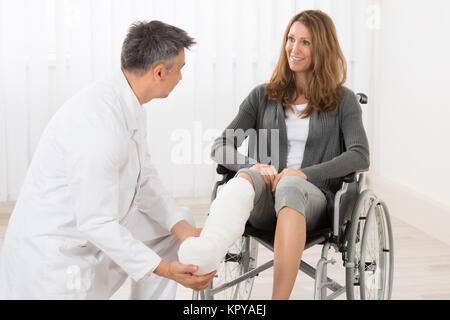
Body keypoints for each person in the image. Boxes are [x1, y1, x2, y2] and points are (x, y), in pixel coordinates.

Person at [0, 20, 215, 299]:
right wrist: (164, 269)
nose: (182, 78)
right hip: (55, 260)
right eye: (181, 69)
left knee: (176, 223)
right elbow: (96, 222)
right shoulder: (98, 126)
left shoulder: (128, 104)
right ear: (159, 72)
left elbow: (145, 178)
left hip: (93, 231)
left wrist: (184, 230)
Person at [207, 10, 370, 299]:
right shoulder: (262, 96)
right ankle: (203, 254)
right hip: (264, 202)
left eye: (305, 42)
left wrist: (305, 174)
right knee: (246, 177)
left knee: (291, 184)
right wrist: (255, 166)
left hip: (311, 201)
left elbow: (360, 155)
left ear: (322, 47)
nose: (294, 49)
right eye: (291, 39)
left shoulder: (343, 100)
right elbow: (220, 146)